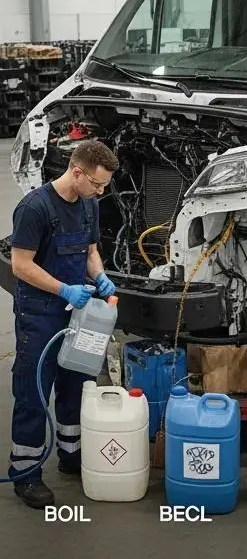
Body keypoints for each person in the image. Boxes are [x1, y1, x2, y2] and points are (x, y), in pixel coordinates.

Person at [7, 140, 119, 509]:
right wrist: (64, 290)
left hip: (80, 313)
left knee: (77, 382)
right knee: (34, 392)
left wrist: (99, 276)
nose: (100, 192)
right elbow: (21, 264)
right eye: (97, 184)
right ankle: (26, 473)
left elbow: (90, 251)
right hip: (40, 314)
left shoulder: (88, 205)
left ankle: (71, 454)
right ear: (76, 171)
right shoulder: (35, 208)